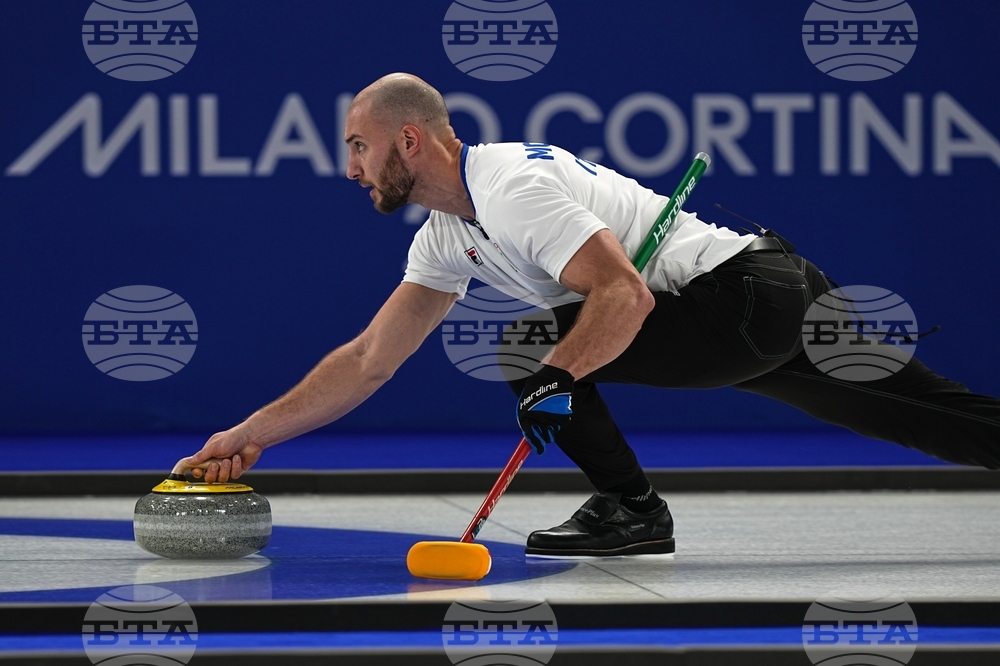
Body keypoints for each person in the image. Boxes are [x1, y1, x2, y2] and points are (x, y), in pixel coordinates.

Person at [184, 73, 1000, 558]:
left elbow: (626, 295)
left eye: (358, 147)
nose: (348, 166)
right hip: (759, 303)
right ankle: (629, 504)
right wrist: (254, 433)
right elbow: (369, 360)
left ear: (407, 141)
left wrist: (555, 377)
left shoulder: (512, 188)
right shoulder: (447, 233)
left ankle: (632, 510)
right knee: (935, 418)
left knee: (534, 343)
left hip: (742, 296)